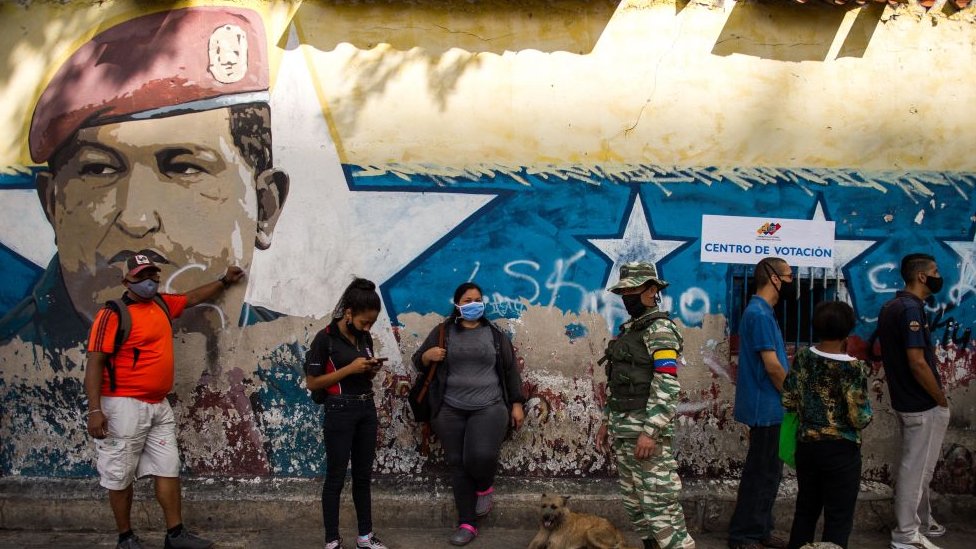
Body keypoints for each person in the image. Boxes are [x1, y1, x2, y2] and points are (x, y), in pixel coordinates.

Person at [0, 6, 290, 477]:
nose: (135, 217)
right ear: (52, 205)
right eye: (98, 170)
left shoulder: (296, 356)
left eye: (183, 167)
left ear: (266, 208)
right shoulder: (11, 363)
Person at [84, 252, 245, 549]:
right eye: (141, 276)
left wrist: (224, 281)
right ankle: (126, 538)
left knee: (168, 467)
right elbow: (94, 363)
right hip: (123, 406)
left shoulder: (161, 304)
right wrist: (95, 410)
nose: (149, 281)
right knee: (121, 474)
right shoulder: (113, 314)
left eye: (152, 275)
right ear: (127, 280)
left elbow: (192, 298)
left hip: (158, 404)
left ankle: (175, 534)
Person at [411, 282, 526, 546]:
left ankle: (484, 486)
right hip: (449, 408)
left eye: (477, 299)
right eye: (467, 299)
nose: (473, 303)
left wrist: (517, 403)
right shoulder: (442, 332)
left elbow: (510, 371)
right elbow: (418, 361)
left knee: (481, 456)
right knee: (458, 463)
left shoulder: (495, 336)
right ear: (457, 304)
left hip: (490, 406)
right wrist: (428, 355)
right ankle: (467, 523)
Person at [595, 261, 695, 549]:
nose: (627, 296)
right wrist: (606, 422)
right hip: (624, 431)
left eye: (633, 289)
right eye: (623, 291)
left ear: (652, 290)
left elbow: (667, 384)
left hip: (645, 434)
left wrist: (651, 431)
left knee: (661, 510)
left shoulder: (661, 330)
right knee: (637, 508)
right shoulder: (631, 330)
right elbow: (617, 384)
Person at [304, 278, 389, 549]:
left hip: (366, 408)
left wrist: (370, 368)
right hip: (339, 411)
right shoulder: (325, 338)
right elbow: (313, 382)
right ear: (349, 313)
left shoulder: (363, 338)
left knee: (363, 476)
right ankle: (332, 539)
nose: (368, 328)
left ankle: (365, 536)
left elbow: (360, 370)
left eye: (372, 323)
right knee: (336, 476)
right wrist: (349, 369)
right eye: (364, 322)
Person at [783, 301, 873, 549]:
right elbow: (860, 417)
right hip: (841, 451)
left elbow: (788, 398)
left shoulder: (802, 357)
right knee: (838, 517)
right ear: (848, 331)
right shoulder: (853, 368)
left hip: (807, 447)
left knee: (805, 511)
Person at [877, 253, 951, 549]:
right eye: (934, 271)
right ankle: (906, 535)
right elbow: (917, 362)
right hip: (921, 404)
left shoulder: (894, 306)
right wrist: (940, 397)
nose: (937, 275)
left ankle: (922, 521)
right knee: (915, 470)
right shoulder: (909, 310)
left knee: (920, 468)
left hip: (909, 400)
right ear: (922, 276)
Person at [728, 257, 793, 549]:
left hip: (770, 408)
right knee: (761, 474)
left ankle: (761, 529)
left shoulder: (762, 312)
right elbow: (773, 366)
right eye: (790, 276)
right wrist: (795, 397)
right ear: (775, 279)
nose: (793, 282)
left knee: (769, 474)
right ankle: (744, 535)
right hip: (765, 407)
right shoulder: (760, 314)